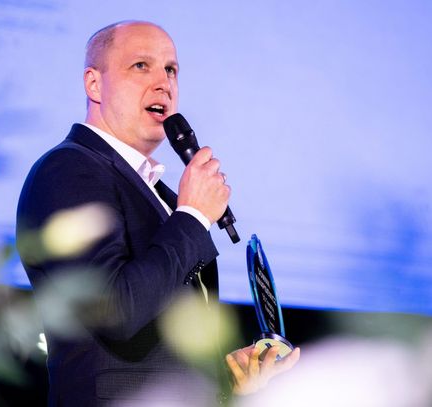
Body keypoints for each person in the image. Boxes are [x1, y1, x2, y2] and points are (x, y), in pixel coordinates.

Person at [17, 20, 299, 406]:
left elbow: (156, 334)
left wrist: (222, 383)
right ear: (94, 84)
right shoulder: (68, 169)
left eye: (171, 69)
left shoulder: (160, 195)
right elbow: (114, 309)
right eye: (141, 66)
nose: (163, 83)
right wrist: (193, 216)